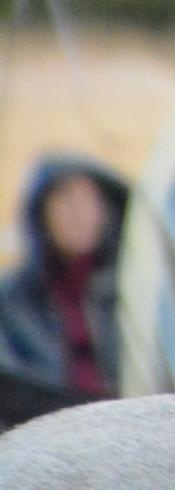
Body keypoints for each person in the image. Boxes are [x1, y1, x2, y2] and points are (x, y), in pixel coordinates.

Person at [0, 156, 128, 402]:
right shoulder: (12, 301)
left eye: (89, 200)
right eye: (66, 198)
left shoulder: (129, 291)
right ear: (41, 211)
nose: (78, 213)